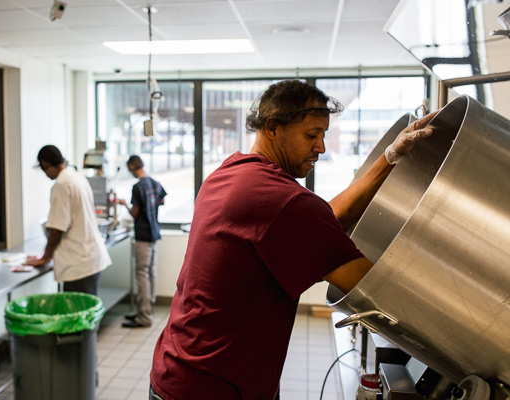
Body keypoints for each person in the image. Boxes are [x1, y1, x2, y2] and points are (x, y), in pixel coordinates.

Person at [149, 80, 436, 400]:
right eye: (311, 135)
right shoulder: (282, 202)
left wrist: (389, 157)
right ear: (272, 128)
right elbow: (375, 290)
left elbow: (320, 219)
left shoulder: (231, 173)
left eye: (324, 135)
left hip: (177, 367)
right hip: (214, 386)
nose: (321, 147)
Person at [24, 145, 111, 296]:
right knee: (86, 314)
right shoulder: (76, 176)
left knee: (78, 315)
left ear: (45, 164)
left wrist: (45, 258)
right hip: (89, 258)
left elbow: (57, 228)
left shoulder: (61, 184)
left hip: (79, 264)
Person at [118, 155, 167, 328]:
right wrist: (152, 207)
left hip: (143, 234)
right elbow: (161, 200)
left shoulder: (137, 187)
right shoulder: (154, 183)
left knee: (142, 274)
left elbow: (135, 213)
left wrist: (124, 204)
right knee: (150, 272)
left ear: (132, 166)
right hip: (154, 232)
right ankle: (148, 309)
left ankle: (144, 315)